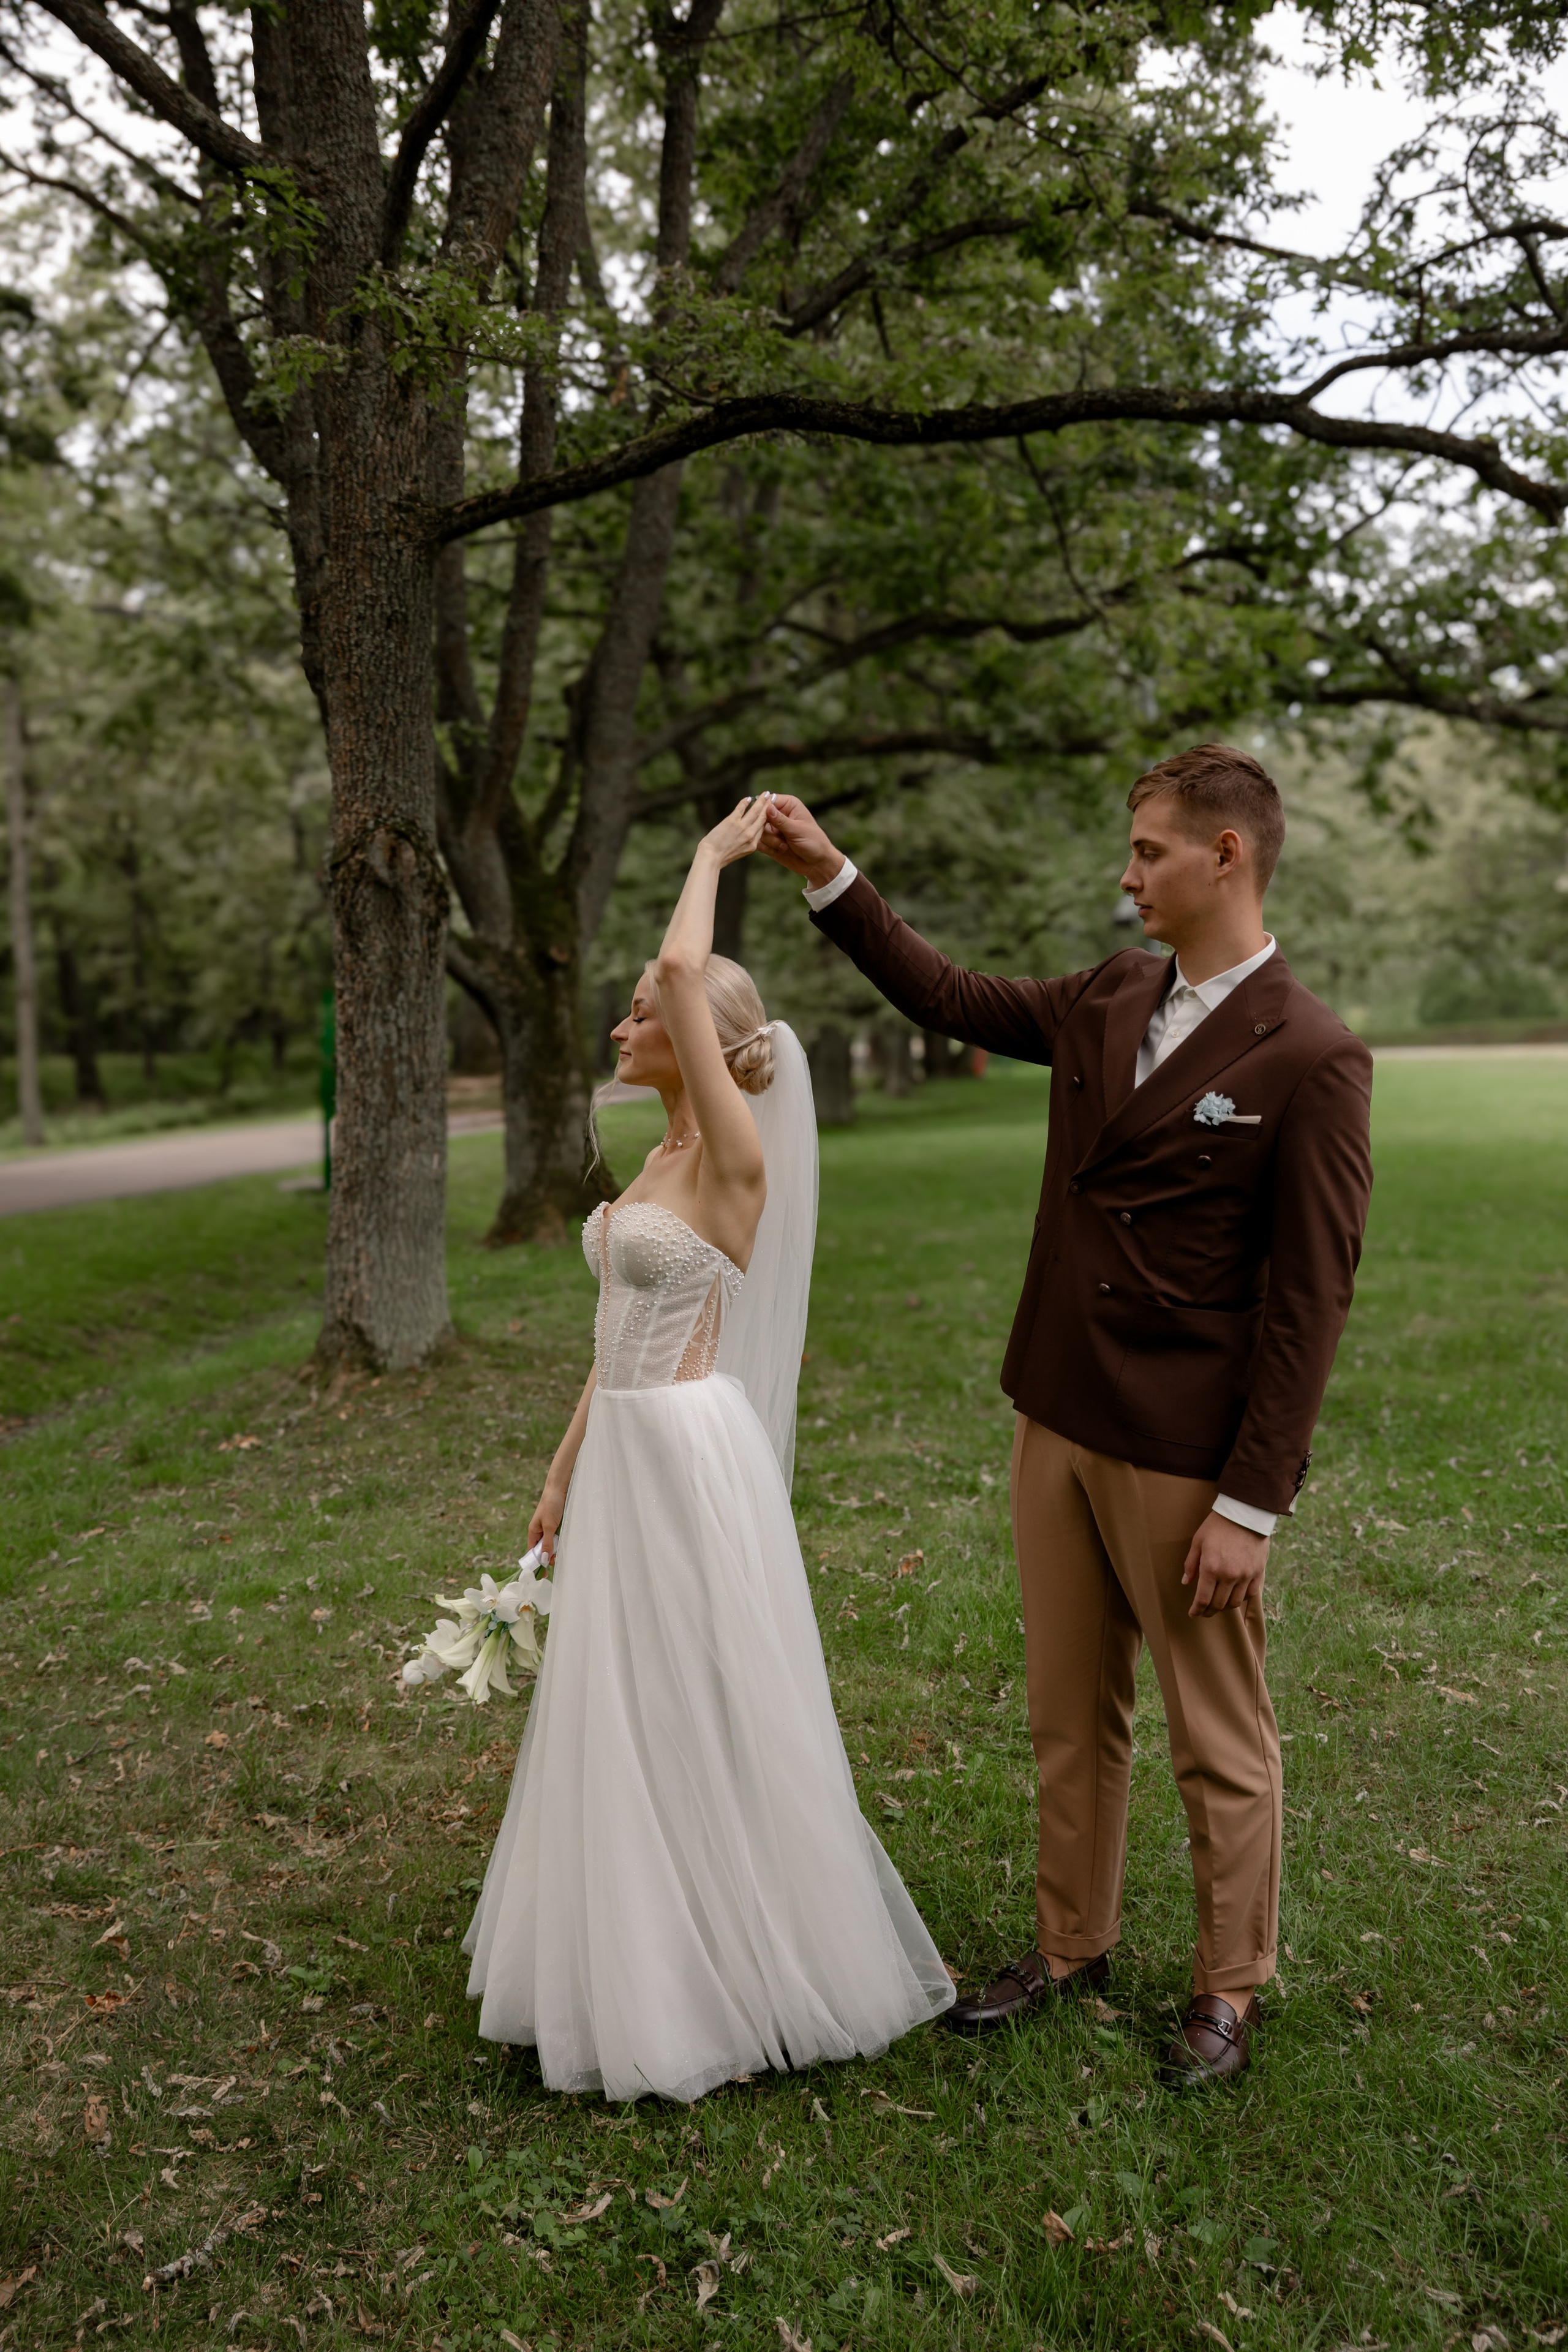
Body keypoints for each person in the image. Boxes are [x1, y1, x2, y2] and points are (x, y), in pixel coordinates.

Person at [761, 745, 1374, 2087]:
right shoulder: (1107, 992)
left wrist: (1249, 1503)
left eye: (1150, 849)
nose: (1128, 873)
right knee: (1066, 1712)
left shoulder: (1313, 1054)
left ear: (1227, 854)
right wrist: (831, 874)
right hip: (1057, 1413)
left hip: (1183, 1448)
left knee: (1216, 1735)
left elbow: (1309, 1301)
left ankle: (1227, 1985)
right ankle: (1067, 1944)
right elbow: (949, 993)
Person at [462, 794, 954, 2101]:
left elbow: (686, 970)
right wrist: (561, 1471)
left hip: (687, 1454)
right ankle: (631, 1942)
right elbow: (613, 1333)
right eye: (630, 1013)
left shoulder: (731, 1157)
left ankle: (736, 1955)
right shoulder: (655, 1156)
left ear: (695, 1041)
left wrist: (711, 856)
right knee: (621, 1692)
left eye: (639, 1015)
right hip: (625, 1448)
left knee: (696, 1686)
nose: (624, 1028)